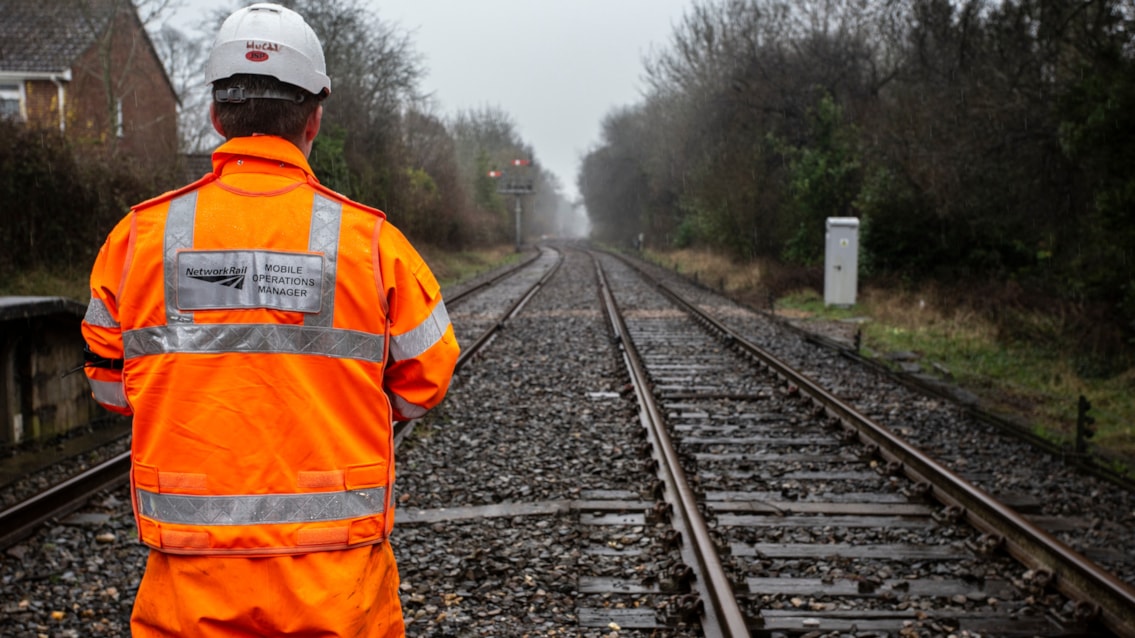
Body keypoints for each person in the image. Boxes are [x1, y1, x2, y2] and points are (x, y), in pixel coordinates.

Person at [80, 4, 459, 636]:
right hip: (338, 590)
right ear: (314, 118)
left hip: (189, 588)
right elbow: (427, 378)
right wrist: (337, 399)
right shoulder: (370, 243)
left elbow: (107, 384)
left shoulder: (139, 238)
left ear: (214, 116)